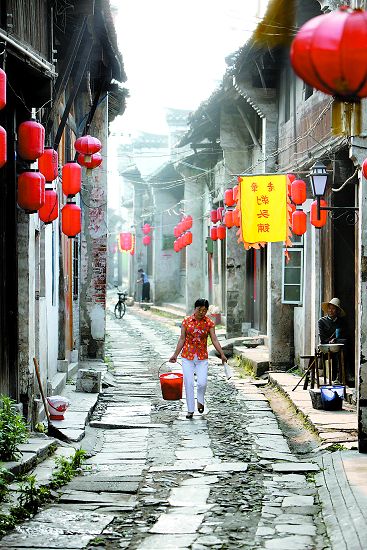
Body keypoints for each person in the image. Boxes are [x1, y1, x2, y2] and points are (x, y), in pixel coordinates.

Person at [169, 298, 227, 419]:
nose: (202, 312)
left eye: (204, 310)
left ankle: (200, 401)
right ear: (195, 309)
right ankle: (190, 410)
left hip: (202, 358)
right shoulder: (186, 321)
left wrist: (221, 353)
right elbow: (182, 339)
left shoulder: (209, 323)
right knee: (189, 383)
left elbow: (214, 339)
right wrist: (175, 355)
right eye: (200, 310)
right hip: (187, 357)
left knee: (202, 383)